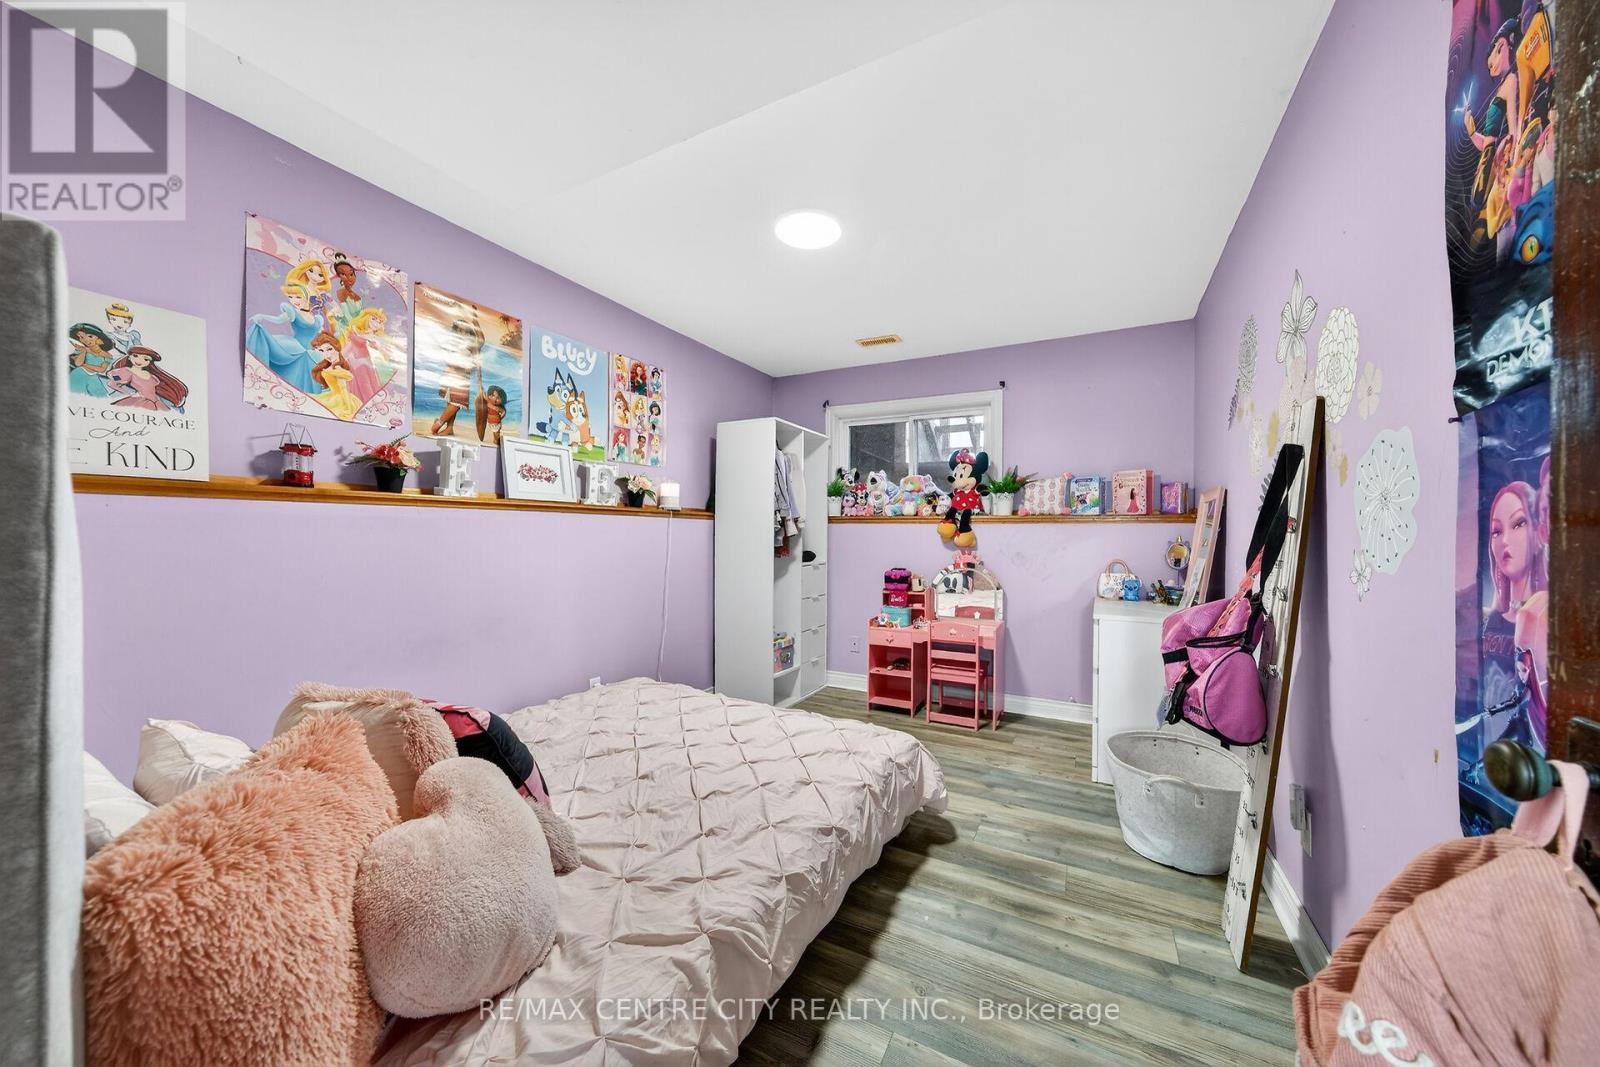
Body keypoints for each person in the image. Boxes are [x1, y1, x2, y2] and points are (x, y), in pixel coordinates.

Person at [246, 283, 323, 394]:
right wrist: (262, 316)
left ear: (306, 297)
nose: (294, 300)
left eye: (298, 297)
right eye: (290, 297)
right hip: (296, 348)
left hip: (311, 354)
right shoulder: (293, 312)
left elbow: (321, 334)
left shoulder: (318, 319)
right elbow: (279, 320)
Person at [105, 346, 188, 411]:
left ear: (149, 362)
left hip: (156, 402)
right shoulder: (127, 371)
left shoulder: (152, 376)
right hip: (141, 400)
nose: (139, 360)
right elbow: (112, 382)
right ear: (129, 357)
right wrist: (126, 392)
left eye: (146, 359)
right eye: (135, 356)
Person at [308, 331, 361, 420]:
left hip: (340, 400)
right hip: (331, 396)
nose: (326, 354)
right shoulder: (329, 366)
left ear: (337, 348)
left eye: (329, 349)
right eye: (321, 351)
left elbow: (343, 389)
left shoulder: (338, 369)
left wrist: (348, 409)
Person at [67, 322, 116, 397]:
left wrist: (84, 364)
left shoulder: (108, 355)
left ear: (99, 337)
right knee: (77, 395)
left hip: (93, 376)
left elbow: (101, 369)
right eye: (81, 337)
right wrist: (83, 352)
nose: (86, 340)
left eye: (90, 336)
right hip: (78, 374)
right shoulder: (82, 349)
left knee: (102, 396)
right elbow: (78, 364)